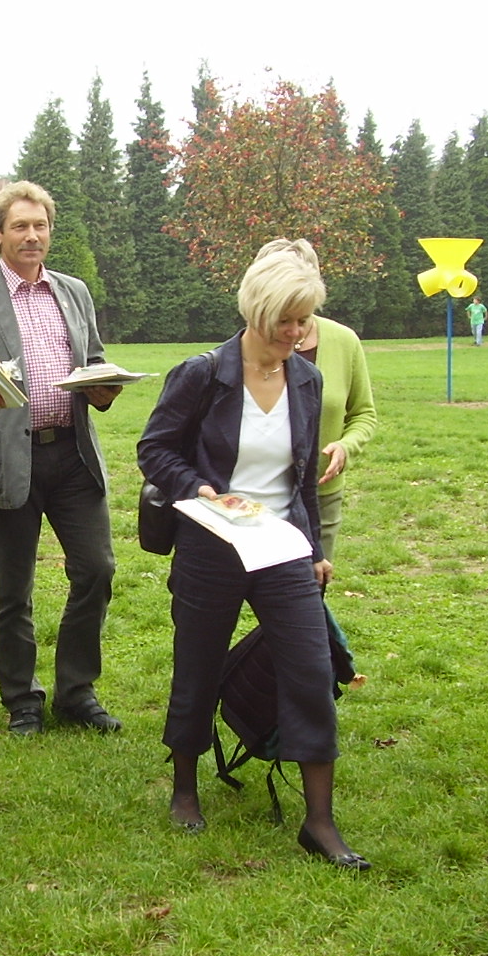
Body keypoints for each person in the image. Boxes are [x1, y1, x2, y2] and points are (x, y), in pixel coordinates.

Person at [138, 246, 365, 867]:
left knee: (311, 671)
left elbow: (302, 477)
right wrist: (198, 489)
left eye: (304, 320)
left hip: (281, 546)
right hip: (211, 543)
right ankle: (185, 788)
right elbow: (154, 448)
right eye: (285, 320)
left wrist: (314, 550)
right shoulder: (203, 374)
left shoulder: (307, 381)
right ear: (257, 313)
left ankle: (319, 821)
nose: (296, 333)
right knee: (198, 665)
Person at [0, 180, 121, 736]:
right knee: (11, 588)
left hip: (72, 453)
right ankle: (21, 699)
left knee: (96, 570)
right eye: (20, 226)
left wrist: (103, 387)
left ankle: (76, 691)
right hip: (5, 456)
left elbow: (93, 360)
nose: (32, 235)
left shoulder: (73, 292)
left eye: (40, 225)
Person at [255, 239, 376, 562]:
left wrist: (346, 446)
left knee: (311, 586)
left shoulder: (343, 341)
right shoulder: (243, 349)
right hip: (255, 497)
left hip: (321, 494)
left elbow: (363, 414)